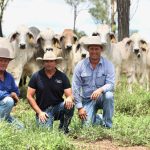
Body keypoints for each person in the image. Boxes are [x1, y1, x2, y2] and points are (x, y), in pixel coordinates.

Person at [72, 36, 115, 128]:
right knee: (86, 127)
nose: (94, 51)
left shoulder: (108, 65)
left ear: (101, 49)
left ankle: (108, 125)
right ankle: (98, 118)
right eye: (92, 49)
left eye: (97, 49)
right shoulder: (80, 65)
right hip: (87, 100)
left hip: (101, 97)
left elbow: (111, 84)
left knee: (109, 95)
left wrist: (100, 90)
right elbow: (75, 87)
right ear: (88, 50)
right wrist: (80, 107)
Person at [27, 51, 74, 133]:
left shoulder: (62, 76)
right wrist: (39, 112)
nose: (49, 63)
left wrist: (69, 98)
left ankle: (63, 129)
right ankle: (44, 122)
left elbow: (70, 95)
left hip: (58, 107)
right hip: (43, 111)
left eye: (51, 61)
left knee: (70, 105)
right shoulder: (36, 76)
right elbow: (29, 96)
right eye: (46, 61)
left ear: (55, 63)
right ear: (43, 63)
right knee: (46, 133)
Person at [0, 47, 24, 129]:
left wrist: (14, 95)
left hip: (3, 110)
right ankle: (1, 126)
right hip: (5, 104)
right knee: (9, 101)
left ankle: (3, 122)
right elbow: (11, 95)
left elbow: (16, 91)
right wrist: (10, 95)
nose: (3, 63)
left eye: (5, 61)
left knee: (21, 127)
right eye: (1, 60)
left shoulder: (9, 77)